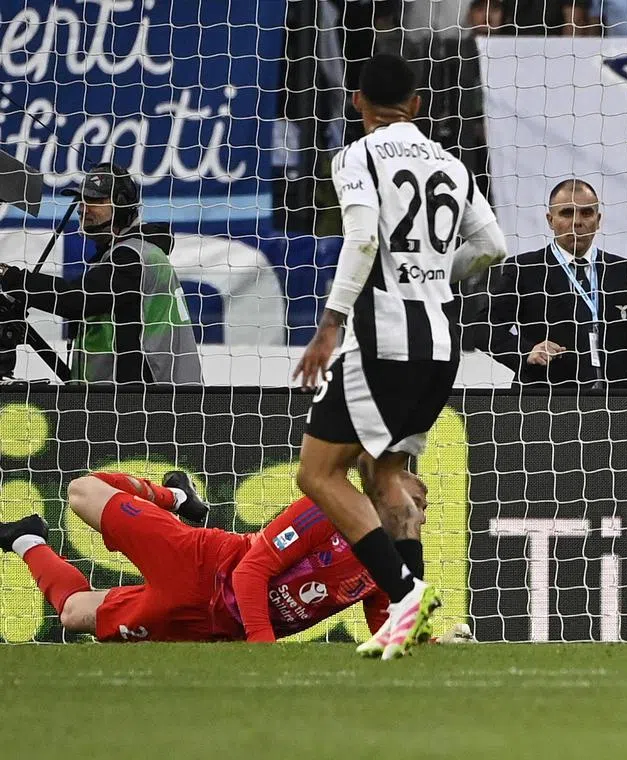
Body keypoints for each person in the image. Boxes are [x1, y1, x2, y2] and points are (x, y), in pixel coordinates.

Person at [292, 53, 507, 660]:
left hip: (383, 341)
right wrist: (439, 276)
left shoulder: (356, 155)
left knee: (317, 472)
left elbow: (362, 237)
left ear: (356, 102)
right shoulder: (452, 163)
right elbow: (493, 245)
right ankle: (403, 621)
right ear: (416, 105)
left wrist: (331, 321)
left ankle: (405, 594)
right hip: (440, 347)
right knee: (385, 474)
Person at [0, 468, 473, 646]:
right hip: (201, 563)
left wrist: (431, 644)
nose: (421, 518)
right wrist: (263, 650)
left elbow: (383, 626)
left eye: (424, 510)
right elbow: (251, 570)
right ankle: (174, 500)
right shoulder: (327, 509)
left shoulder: (390, 564)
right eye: (417, 506)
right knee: (82, 491)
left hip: (208, 623)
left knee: (73, 614)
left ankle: (26, 539)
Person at [0, 164, 201, 384]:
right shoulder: (126, 254)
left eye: (95, 200)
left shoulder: (134, 256)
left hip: (153, 405)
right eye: (81, 201)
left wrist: (10, 277)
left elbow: (76, 300)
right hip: (139, 402)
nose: (82, 209)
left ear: (122, 205)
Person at [486, 180, 627, 390]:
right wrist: (526, 352)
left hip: (616, 406)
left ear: (598, 220)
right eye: (567, 213)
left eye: (586, 213)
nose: (576, 222)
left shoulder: (624, 272)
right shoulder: (524, 269)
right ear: (550, 220)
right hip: (546, 404)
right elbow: (483, 327)